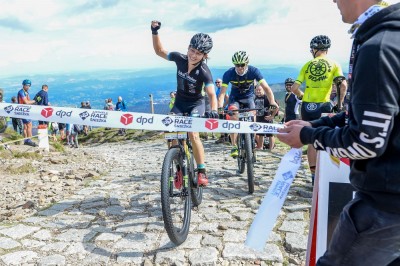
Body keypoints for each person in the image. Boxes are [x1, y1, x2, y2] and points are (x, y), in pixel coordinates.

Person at [278, 1, 400, 265]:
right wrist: (318, 126)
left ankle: (313, 176)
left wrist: (309, 135)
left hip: (385, 202)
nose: (333, 1)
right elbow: (361, 109)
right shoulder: (388, 37)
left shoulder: (378, 46)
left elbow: (366, 141)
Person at [151, 20, 218, 186]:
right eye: (192, 50)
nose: (193, 55)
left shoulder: (204, 71)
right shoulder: (179, 59)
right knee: (172, 133)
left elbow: (210, 93)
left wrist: (214, 110)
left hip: (196, 104)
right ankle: (178, 167)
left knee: (192, 134)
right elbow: (159, 51)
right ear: (188, 48)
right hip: (180, 103)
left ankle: (201, 171)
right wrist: (154, 31)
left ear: (205, 56)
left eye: (199, 53)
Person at [290, 35, 348, 184]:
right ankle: (328, 174)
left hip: (307, 106)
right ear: (327, 49)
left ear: (314, 50)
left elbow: (294, 88)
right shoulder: (334, 64)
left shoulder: (307, 64)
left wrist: (302, 96)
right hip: (324, 105)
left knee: (311, 140)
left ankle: (314, 175)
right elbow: (343, 85)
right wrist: (339, 104)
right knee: (326, 137)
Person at [217, 51, 278, 158]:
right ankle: (234, 145)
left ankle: (252, 142)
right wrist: (220, 107)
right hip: (235, 98)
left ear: (247, 63)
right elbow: (222, 93)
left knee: (253, 116)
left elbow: (266, 88)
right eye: (237, 65)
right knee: (233, 116)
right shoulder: (228, 74)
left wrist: (272, 102)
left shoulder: (254, 71)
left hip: (249, 97)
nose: (240, 67)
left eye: (242, 65)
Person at [254, 85, 275, 150]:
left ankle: (271, 148)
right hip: (258, 118)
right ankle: (260, 147)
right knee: (260, 134)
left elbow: (276, 107)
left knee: (270, 134)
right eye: (257, 90)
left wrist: (272, 116)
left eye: (259, 90)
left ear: (263, 90)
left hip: (267, 118)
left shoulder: (267, 98)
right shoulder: (255, 98)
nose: (258, 91)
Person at [17, 79, 37, 147]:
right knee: (29, 125)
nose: (28, 87)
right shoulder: (21, 92)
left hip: (24, 110)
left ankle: (26, 140)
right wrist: (34, 101)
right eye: (26, 85)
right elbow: (26, 102)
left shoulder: (26, 92)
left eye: (29, 85)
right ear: (23, 85)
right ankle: (29, 140)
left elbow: (28, 101)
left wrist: (32, 102)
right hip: (23, 111)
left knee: (25, 126)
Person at [214, 78, 230, 144]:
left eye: (218, 82)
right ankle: (223, 137)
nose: (217, 83)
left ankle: (224, 137)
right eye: (216, 82)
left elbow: (227, 99)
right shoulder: (218, 90)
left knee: (223, 123)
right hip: (220, 109)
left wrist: (222, 107)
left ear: (221, 82)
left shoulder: (222, 90)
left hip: (224, 109)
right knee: (221, 122)